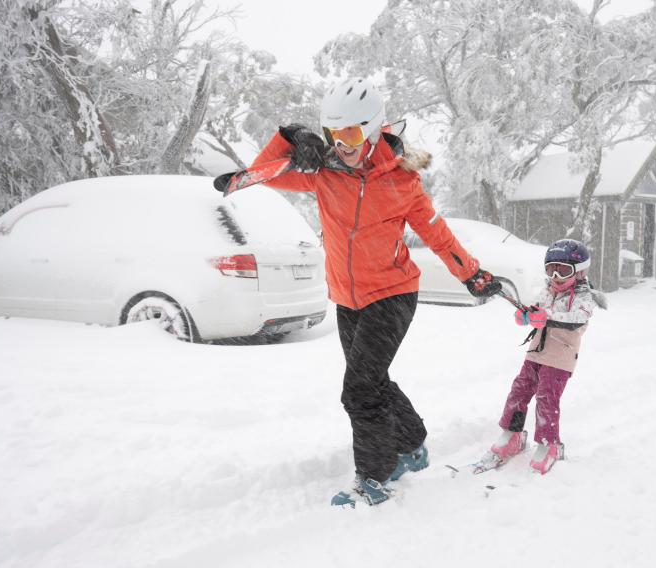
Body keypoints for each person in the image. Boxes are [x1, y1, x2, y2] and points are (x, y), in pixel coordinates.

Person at [216, 78, 502, 507]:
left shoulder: (402, 182)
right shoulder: (323, 174)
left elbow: (438, 235)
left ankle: (374, 475)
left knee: (359, 390)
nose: (341, 144)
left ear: (370, 129)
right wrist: (293, 135)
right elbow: (265, 173)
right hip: (348, 299)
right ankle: (412, 444)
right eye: (334, 134)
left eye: (350, 134)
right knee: (372, 380)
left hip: (392, 294)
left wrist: (472, 274)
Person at [477, 239, 600, 475]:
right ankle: (511, 435)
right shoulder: (549, 290)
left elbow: (578, 319)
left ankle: (549, 444)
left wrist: (547, 317)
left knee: (546, 398)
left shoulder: (584, 297)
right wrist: (526, 314)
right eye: (550, 269)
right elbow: (537, 309)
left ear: (581, 271)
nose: (556, 275)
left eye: (563, 270)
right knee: (519, 390)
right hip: (536, 352)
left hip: (559, 358)